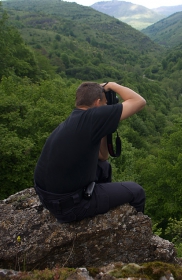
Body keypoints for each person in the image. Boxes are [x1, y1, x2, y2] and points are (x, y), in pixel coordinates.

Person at [34, 82, 146, 223]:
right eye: (106, 104)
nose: (107, 107)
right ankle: (134, 234)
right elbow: (139, 102)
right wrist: (112, 85)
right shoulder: (93, 118)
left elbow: (103, 156)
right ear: (98, 102)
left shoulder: (75, 119)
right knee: (137, 192)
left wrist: (105, 129)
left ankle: (99, 203)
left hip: (49, 197)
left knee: (104, 167)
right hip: (68, 207)